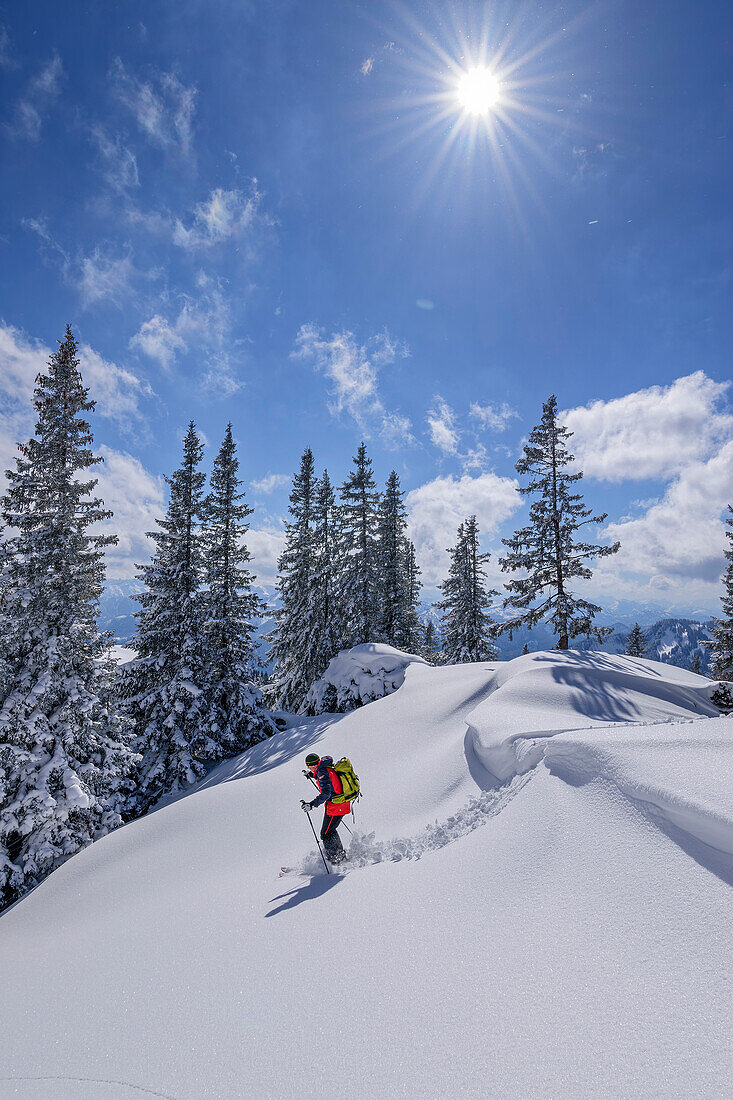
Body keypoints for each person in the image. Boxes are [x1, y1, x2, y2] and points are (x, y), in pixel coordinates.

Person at [302, 752, 350, 865]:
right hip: (340, 804)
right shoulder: (324, 767)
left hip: (336, 806)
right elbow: (328, 780)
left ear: (311, 765)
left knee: (325, 833)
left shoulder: (322, 772)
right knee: (330, 831)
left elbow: (326, 793)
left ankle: (336, 860)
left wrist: (312, 804)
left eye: (308, 766)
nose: (308, 768)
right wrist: (313, 775)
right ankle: (340, 856)